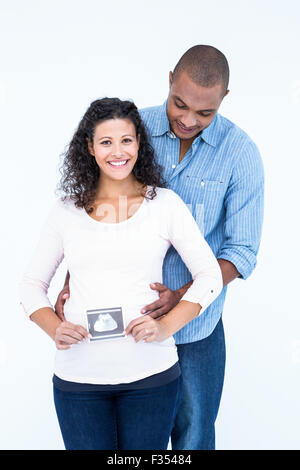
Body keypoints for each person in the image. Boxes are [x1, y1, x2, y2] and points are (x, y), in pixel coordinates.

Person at [55, 45, 265, 450]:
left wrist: (180, 297)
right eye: (180, 104)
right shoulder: (132, 131)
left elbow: (241, 251)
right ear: (170, 80)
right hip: (122, 332)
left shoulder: (241, 154)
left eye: (204, 113)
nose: (188, 120)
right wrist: (70, 279)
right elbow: (93, 210)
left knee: (193, 436)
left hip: (196, 329)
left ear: (224, 98)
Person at [19, 97, 223, 450]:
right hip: (78, 379)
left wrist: (165, 326)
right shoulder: (66, 211)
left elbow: (209, 276)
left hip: (151, 376)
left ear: (139, 143)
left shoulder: (165, 205)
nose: (118, 151)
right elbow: (31, 286)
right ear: (90, 147)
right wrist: (55, 328)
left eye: (126, 140)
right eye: (106, 142)